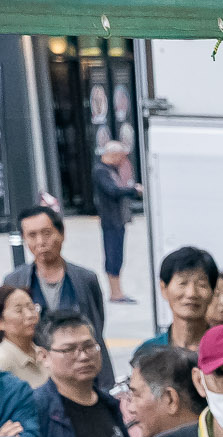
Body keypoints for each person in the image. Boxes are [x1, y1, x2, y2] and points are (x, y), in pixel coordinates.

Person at [7, 207, 111, 383]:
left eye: (47, 233)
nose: (41, 242)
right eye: (32, 235)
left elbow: (96, 324)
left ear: (61, 233)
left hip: (81, 372)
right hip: (36, 375)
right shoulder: (15, 281)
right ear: (24, 239)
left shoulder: (85, 279)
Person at [90, 140, 143, 305]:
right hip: (110, 220)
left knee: (118, 255)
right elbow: (113, 190)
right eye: (120, 157)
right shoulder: (101, 171)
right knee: (112, 255)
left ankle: (117, 290)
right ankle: (115, 292)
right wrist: (133, 190)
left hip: (118, 220)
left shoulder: (112, 170)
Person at [145, 247, 220, 355]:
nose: (191, 293)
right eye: (182, 283)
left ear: (213, 291)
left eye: (201, 285)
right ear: (163, 288)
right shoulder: (148, 352)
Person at [0, 286, 40, 386]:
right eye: (19, 310)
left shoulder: (44, 354)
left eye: (31, 307)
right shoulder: (3, 362)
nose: (29, 315)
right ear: (1, 322)